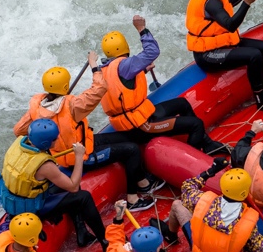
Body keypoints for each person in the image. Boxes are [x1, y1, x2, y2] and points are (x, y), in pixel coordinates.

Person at [11, 51, 159, 211]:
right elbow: (100, 88)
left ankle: (142, 181)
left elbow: (19, 130)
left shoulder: (37, 106)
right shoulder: (74, 106)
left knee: (124, 138)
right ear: (66, 86)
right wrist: (94, 64)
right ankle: (133, 199)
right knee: (132, 150)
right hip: (82, 156)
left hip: (70, 150)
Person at [97, 15, 229, 156]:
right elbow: (152, 51)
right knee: (196, 124)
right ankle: (193, 159)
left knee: (182, 103)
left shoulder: (104, 70)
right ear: (125, 47)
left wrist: (143, 70)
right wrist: (142, 29)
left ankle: (208, 144)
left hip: (134, 120)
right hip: (142, 126)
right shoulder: (125, 65)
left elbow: (120, 88)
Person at [0, 118, 108, 248]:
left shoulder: (18, 144)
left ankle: (82, 233)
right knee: (83, 197)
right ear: (45, 143)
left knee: (66, 186)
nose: (57, 139)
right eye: (54, 139)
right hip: (33, 208)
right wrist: (78, 156)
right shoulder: (45, 166)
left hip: (16, 203)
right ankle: (105, 241)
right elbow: (73, 187)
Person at [186, 0, 263, 110]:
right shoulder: (211, 3)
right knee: (254, 56)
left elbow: (228, 3)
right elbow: (230, 25)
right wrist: (247, 3)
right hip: (207, 54)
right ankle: (261, 100)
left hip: (219, 43)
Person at [161, 161, 263, 252]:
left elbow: (187, 187)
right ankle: (171, 236)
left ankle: (171, 236)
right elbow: (261, 251)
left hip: (200, 249)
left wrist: (211, 171)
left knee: (177, 204)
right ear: (244, 193)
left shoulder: (202, 200)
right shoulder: (247, 222)